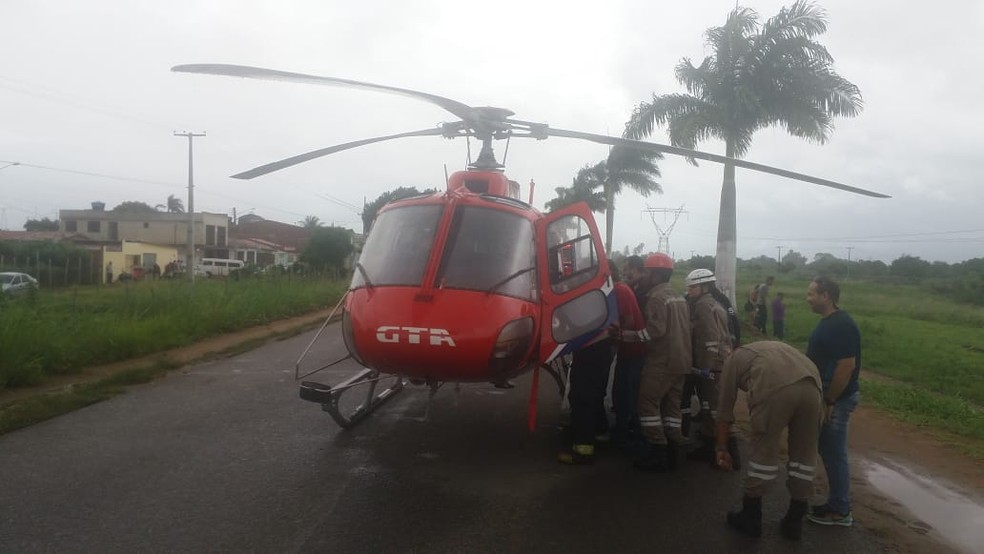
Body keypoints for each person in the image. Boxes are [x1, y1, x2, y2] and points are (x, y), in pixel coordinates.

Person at [716, 341, 823, 540]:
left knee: (763, 449)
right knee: (805, 452)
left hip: (775, 386)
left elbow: (724, 410)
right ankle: (795, 519)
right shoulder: (766, 347)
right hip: (812, 386)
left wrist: (721, 447)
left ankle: (751, 517)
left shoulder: (731, 361)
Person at [627, 253, 692, 472]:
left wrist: (627, 336)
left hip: (663, 361)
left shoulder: (656, 297)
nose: (643, 275)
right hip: (682, 361)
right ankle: (674, 449)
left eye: (646, 271)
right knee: (673, 408)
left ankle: (658, 451)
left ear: (654, 275)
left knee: (648, 404)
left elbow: (656, 330)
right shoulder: (678, 295)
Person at [805, 276, 861, 527]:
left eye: (811, 294)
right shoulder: (829, 322)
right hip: (828, 396)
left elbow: (846, 366)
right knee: (827, 449)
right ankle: (836, 504)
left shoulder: (841, 325)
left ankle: (840, 510)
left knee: (834, 452)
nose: (808, 298)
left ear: (825, 296)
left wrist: (830, 400)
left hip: (836, 400)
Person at [683, 269, 738, 468]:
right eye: (688, 287)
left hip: (714, 365)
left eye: (693, 287)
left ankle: (730, 452)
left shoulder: (703, 306)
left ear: (705, 287)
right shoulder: (713, 303)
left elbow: (710, 340)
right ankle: (709, 446)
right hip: (720, 362)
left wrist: (705, 368)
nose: (689, 291)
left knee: (715, 409)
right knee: (709, 407)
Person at [558, 328, 616, 465]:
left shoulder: (588, 308)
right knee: (594, 395)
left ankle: (582, 450)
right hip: (600, 350)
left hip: (590, 351)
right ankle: (600, 433)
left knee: (582, 399)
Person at [609, 262, 648, 451]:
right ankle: (622, 433)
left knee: (631, 398)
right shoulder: (621, 289)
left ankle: (638, 441)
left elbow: (629, 323)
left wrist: (612, 338)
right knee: (620, 394)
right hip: (627, 352)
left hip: (634, 353)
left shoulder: (620, 290)